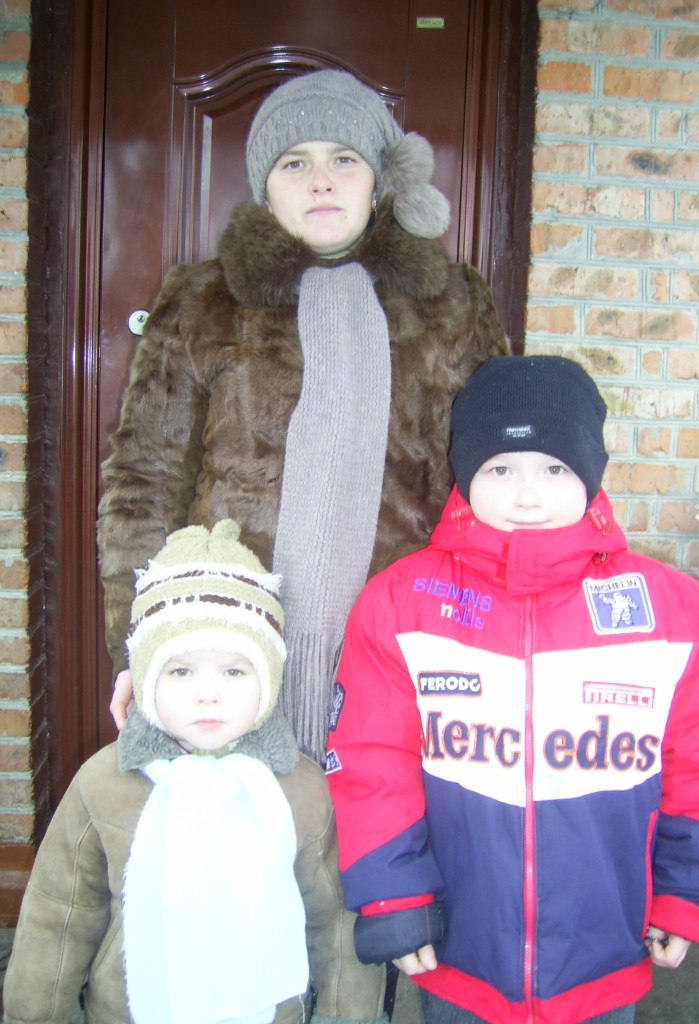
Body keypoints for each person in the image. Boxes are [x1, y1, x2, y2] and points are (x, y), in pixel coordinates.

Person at [97, 68, 509, 764]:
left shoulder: (453, 304)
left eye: (344, 159)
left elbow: (494, 482)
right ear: (266, 187)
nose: (321, 181)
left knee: (378, 827)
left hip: (407, 652)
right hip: (227, 657)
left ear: (379, 181)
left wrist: (495, 638)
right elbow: (144, 481)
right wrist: (140, 643)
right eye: (295, 163)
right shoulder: (203, 301)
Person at [324, 356, 699, 1024]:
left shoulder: (673, 612)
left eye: (554, 469)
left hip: (604, 958)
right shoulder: (400, 603)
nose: (528, 497)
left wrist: (689, 892)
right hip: (459, 959)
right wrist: (394, 896)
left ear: (590, 472)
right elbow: (371, 762)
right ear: (465, 474)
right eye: (501, 470)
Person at [3, 520, 387, 1024]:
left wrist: (346, 1014)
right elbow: (59, 914)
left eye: (234, 671)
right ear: (145, 677)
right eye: (181, 670)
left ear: (268, 679)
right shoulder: (105, 783)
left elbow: (335, 923)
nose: (208, 694)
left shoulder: (302, 790)